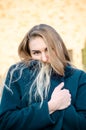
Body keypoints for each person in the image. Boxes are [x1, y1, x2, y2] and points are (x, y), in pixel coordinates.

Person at [0, 24, 86, 130]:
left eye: (48, 50)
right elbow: (6, 122)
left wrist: (65, 107)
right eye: (36, 53)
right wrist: (51, 106)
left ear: (58, 47)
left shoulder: (78, 77)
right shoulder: (17, 74)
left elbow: (83, 124)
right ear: (29, 53)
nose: (44, 58)